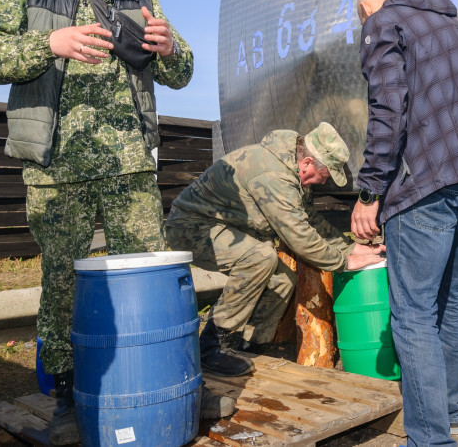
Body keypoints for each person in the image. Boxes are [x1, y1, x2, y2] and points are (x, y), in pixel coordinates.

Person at [0, 0, 198, 444]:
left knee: (143, 277)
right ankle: (68, 395)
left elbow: (183, 71)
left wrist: (171, 50)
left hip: (129, 169)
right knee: (62, 284)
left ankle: (145, 383)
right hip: (56, 167)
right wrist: (50, 41)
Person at [351, 0, 458, 446]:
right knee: (454, 295)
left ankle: (430, 439)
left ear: (366, 9)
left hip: (426, 186)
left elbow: (388, 109)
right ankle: (451, 414)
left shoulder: (382, 23)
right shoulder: (456, 24)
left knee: (413, 313)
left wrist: (370, 192)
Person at [165, 122, 386, 376]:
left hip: (227, 227)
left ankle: (250, 346)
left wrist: (350, 249)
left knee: (283, 277)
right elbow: (299, 237)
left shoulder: (290, 167)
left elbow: (309, 220)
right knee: (260, 258)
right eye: (324, 176)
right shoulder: (274, 175)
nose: (322, 182)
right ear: (308, 164)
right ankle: (212, 347)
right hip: (192, 227)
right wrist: (344, 263)